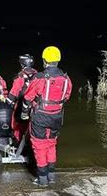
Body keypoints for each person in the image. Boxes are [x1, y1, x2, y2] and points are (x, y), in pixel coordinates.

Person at [22, 46, 72, 187]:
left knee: (40, 146)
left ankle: (42, 179)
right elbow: (66, 96)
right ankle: (51, 176)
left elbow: (27, 97)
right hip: (57, 117)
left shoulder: (40, 78)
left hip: (40, 117)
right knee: (51, 144)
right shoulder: (66, 78)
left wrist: (24, 113)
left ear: (45, 60)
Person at [6, 54, 37, 142]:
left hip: (21, 105)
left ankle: (18, 142)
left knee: (17, 126)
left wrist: (8, 102)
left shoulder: (20, 77)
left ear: (22, 64)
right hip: (35, 106)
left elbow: (13, 93)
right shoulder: (38, 75)